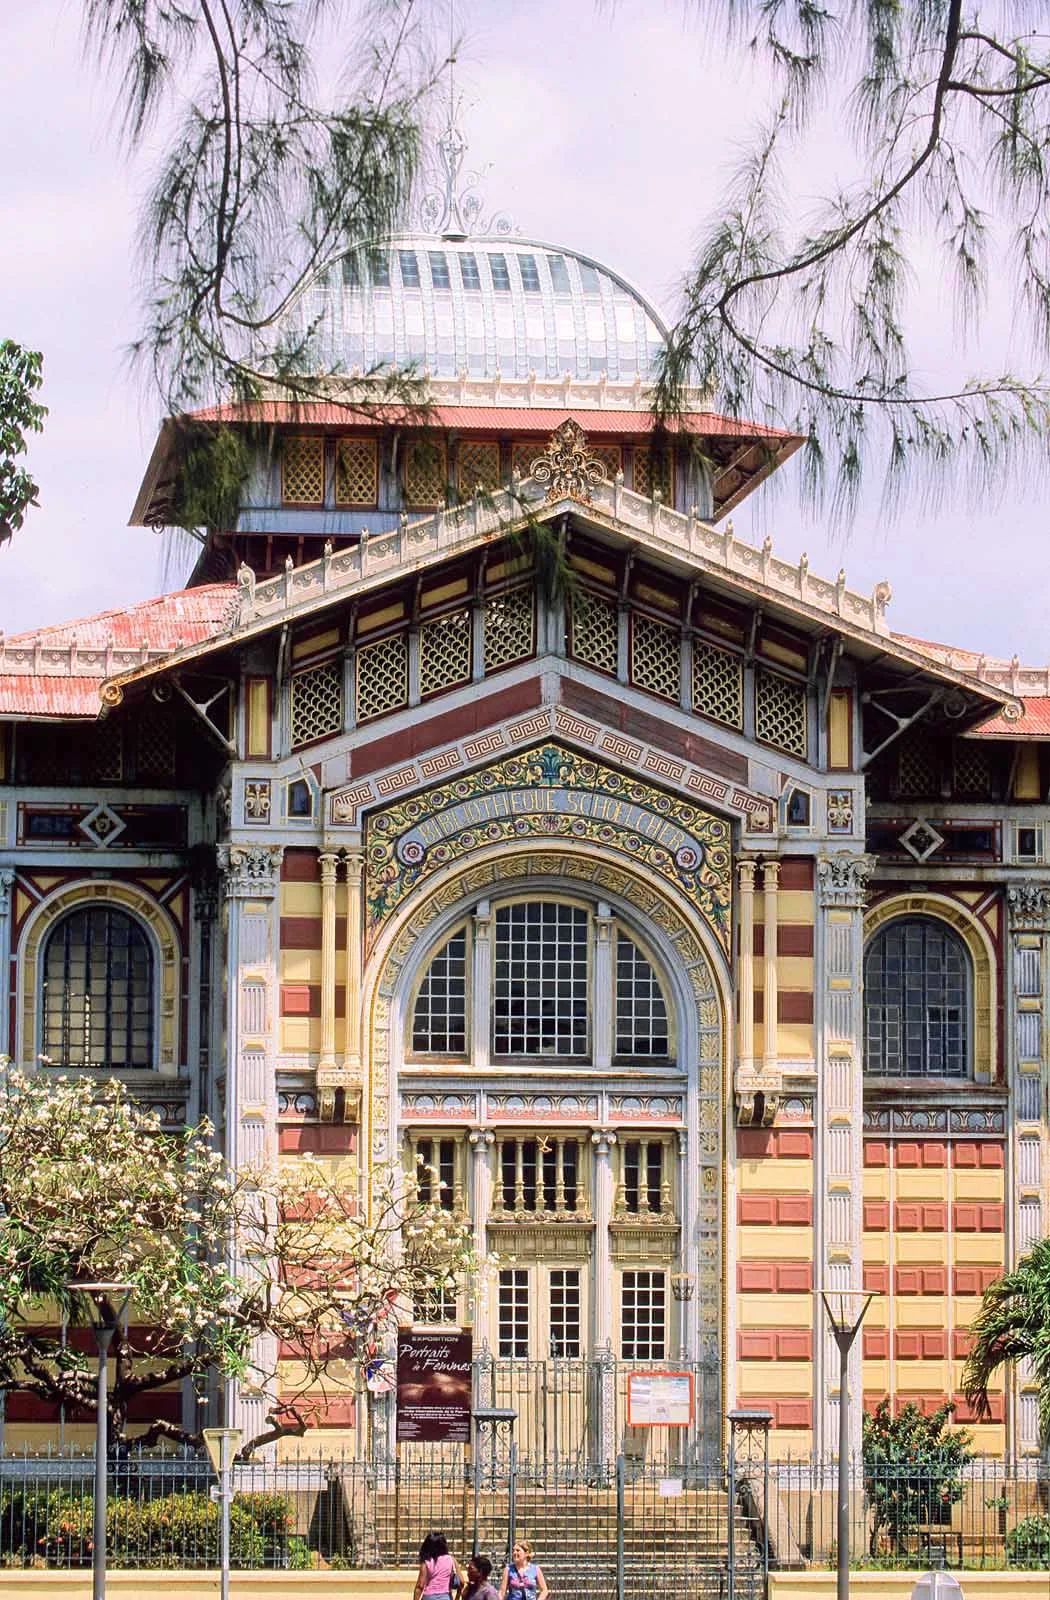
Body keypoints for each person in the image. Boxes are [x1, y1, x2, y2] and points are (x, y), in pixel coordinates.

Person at [414, 1531, 462, 1600]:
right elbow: (462, 1582)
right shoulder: (451, 1559)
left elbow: (420, 1586)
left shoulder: (426, 1561)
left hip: (429, 1597)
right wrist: (457, 1596)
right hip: (446, 1596)